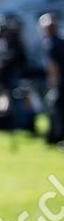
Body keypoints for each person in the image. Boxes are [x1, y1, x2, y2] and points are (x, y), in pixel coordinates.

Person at [41, 14, 64, 145]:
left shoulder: (50, 44)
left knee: (58, 109)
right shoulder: (61, 41)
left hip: (60, 83)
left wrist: (53, 84)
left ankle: (58, 136)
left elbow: (52, 66)